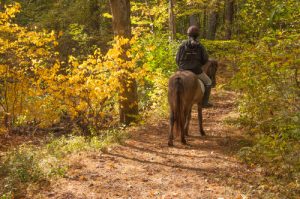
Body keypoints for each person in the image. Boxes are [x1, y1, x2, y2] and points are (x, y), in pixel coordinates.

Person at [176, 25, 213, 108]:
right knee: (208, 82)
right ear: (197, 35)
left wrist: (182, 67)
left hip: (182, 70)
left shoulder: (182, 46)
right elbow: (205, 59)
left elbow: (177, 59)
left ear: (188, 35)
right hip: (196, 71)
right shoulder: (200, 46)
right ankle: (205, 102)